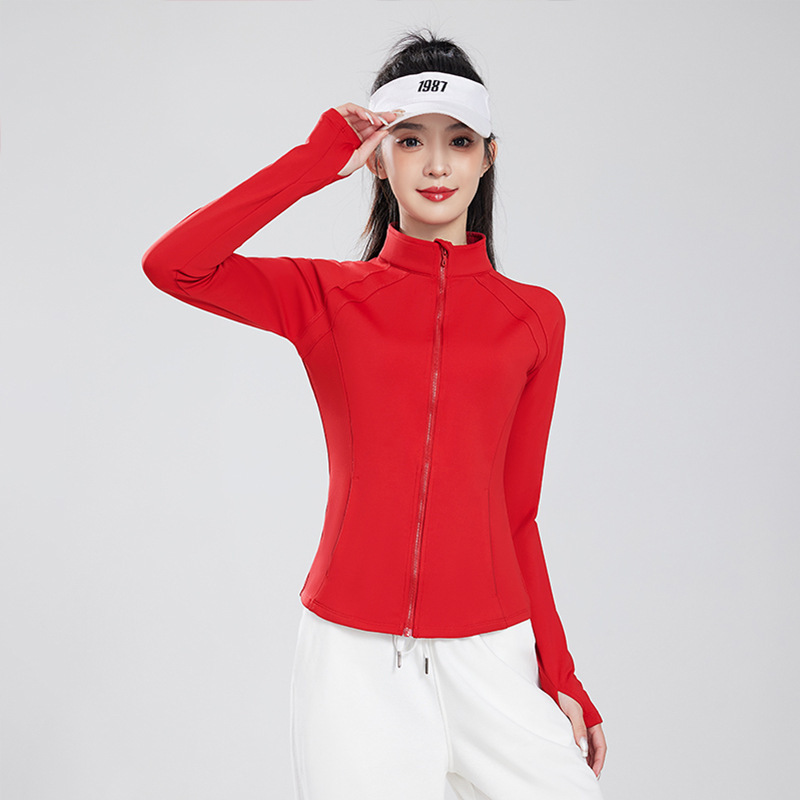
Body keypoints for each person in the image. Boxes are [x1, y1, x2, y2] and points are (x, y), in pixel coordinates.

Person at [143, 27, 607, 800]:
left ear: (489, 157)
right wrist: (313, 160)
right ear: (380, 158)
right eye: (411, 140)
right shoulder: (327, 298)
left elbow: (517, 511)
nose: (436, 165)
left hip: (493, 653)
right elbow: (175, 265)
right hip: (353, 663)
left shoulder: (535, 318)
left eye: (459, 141)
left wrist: (559, 673)